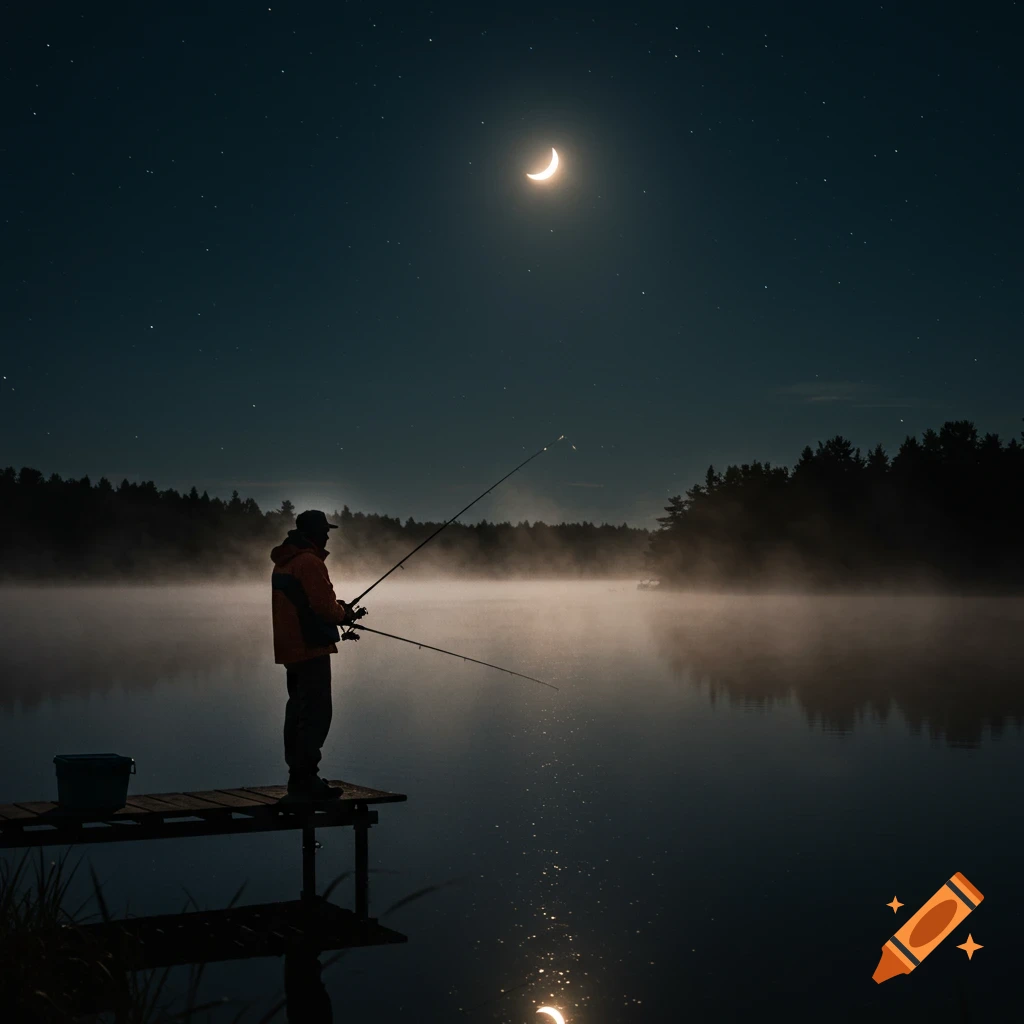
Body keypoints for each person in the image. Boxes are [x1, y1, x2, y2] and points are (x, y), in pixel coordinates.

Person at [271, 509, 359, 801]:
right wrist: (343, 613)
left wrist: (337, 611)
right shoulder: (309, 562)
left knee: (297, 713)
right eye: (324, 530)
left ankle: (299, 778)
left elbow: (307, 603)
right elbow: (323, 607)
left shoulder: (285, 563)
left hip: (291, 649)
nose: (327, 535)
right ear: (312, 533)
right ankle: (305, 780)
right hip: (310, 648)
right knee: (316, 715)